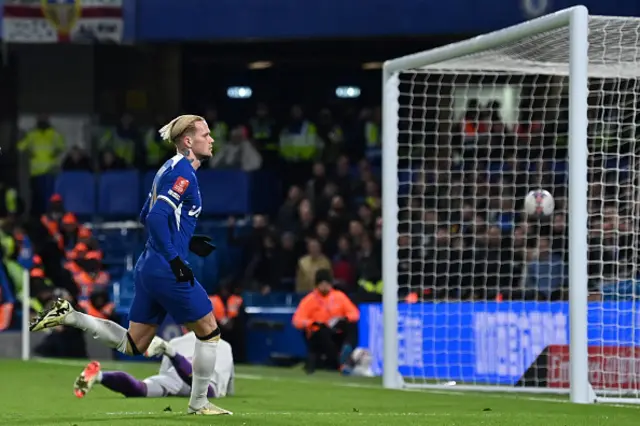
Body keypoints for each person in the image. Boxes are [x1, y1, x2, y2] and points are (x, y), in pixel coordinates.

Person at [29, 115, 229, 416]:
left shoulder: (167, 168)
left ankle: (71, 317)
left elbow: (144, 214)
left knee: (133, 344)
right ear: (188, 141)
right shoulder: (184, 173)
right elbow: (156, 217)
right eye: (206, 134)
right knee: (209, 332)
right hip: (165, 266)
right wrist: (175, 257)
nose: (211, 139)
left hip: (149, 265)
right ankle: (199, 403)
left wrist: (187, 238)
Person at [74, 332, 234, 400]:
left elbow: (164, 373)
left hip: (176, 376)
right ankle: (172, 354)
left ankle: (100, 376)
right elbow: (226, 388)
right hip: (203, 381)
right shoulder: (223, 345)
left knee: (140, 388)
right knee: (207, 391)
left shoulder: (178, 341)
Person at [292, 269, 360, 374]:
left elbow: (354, 314)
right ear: (317, 285)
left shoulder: (339, 297)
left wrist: (343, 319)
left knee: (351, 325)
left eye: (327, 284)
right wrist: (313, 323)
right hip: (318, 332)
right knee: (323, 333)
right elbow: (297, 320)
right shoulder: (309, 300)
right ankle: (340, 363)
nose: (325, 287)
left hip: (336, 330)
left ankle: (347, 349)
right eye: (322, 284)